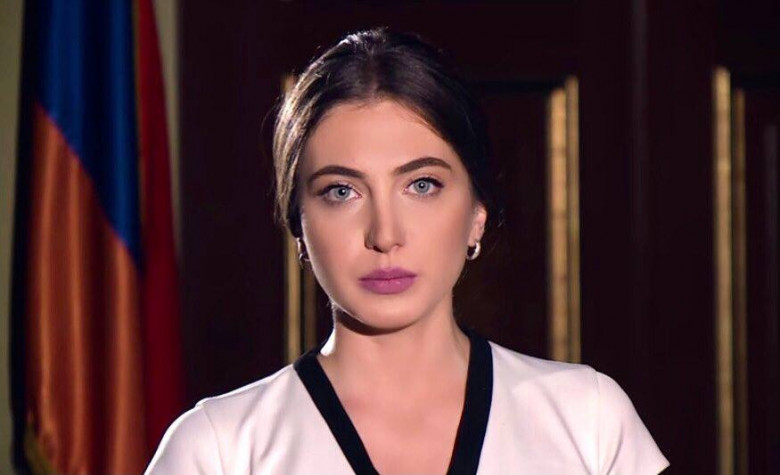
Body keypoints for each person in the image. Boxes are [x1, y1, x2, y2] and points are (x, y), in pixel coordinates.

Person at [146, 27, 669, 474]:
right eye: (341, 191)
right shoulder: (218, 450)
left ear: (477, 213)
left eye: (421, 185)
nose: (385, 234)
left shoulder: (589, 421)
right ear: (298, 226)